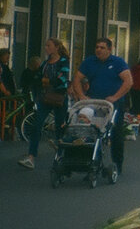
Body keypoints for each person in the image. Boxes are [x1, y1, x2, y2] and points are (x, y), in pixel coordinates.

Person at [70, 37, 132, 175]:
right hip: (94, 103)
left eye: (102, 47)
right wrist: (81, 96)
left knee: (115, 134)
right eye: (97, 47)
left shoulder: (117, 62)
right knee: (91, 132)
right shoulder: (89, 62)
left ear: (109, 50)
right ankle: (91, 163)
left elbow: (128, 81)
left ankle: (117, 164)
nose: (99, 50)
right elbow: (77, 79)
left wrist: (115, 97)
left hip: (113, 105)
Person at [17, 38, 71, 170]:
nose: (46, 48)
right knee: (37, 125)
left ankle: (61, 155)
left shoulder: (64, 61)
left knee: (59, 126)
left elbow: (62, 78)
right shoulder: (46, 63)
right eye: (45, 45)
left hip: (59, 98)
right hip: (45, 97)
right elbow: (37, 77)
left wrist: (46, 81)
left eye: (48, 45)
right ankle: (31, 157)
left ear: (56, 47)